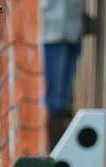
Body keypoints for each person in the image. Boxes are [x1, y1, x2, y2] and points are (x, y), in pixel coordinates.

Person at [41, 0, 85, 148]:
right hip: (50, 30)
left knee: (63, 100)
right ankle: (50, 151)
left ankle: (59, 152)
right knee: (53, 101)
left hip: (73, 27)